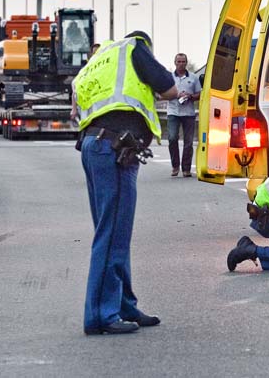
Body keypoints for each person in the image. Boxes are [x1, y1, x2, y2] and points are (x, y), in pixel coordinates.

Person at [73, 31, 177, 335]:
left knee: (114, 233)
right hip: (114, 150)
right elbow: (169, 88)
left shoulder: (98, 61)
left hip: (95, 146)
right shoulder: (135, 47)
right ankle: (100, 315)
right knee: (112, 235)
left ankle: (124, 304)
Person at [167, 53, 201, 177]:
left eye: (183, 62)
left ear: (186, 63)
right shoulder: (169, 78)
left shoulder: (193, 78)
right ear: (175, 63)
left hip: (188, 113)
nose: (181, 64)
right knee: (172, 138)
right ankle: (175, 166)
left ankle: (186, 169)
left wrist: (190, 96)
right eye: (179, 62)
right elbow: (162, 94)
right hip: (173, 112)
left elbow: (200, 94)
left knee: (188, 142)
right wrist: (176, 95)